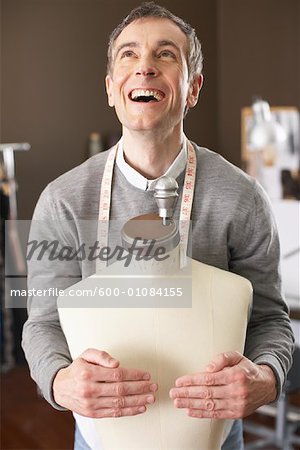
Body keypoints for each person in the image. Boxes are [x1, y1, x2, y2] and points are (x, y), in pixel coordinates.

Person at [22, 2, 294, 449]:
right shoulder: (63, 200)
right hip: (100, 438)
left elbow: (269, 320)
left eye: (166, 54)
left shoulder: (242, 198)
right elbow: (43, 323)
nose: (144, 67)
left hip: (215, 436)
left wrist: (267, 375)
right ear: (111, 89)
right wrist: (58, 380)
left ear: (194, 88)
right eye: (129, 55)